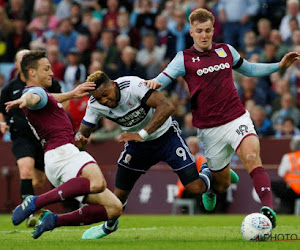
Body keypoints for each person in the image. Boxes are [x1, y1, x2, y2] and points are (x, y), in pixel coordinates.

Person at [145, 8, 300, 229]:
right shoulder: (184, 58)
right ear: (192, 32)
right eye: (199, 31)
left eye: (208, 30)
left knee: (252, 155)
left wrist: (279, 66)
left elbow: (250, 69)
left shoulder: (226, 51)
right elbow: (161, 79)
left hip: (237, 118)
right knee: (222, 184)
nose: (204, 35)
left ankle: (267, 209)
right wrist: (152, 83)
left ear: (213, 30)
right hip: (209, 130)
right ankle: (211, 175)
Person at [75, 70, 216, 239]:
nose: (104, 101)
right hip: (137, 146)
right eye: (99, 99)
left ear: (113, 84)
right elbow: (83, 132)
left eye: (105, 94)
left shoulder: (132, 85)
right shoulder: (95, 104)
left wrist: (142, 134)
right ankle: (109, 226)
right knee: (118, 196)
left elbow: (167, 106)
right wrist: (80, 140)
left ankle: (208, 170)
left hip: (166, 138)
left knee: (195, 188)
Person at [5, 50, 122, 239]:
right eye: (47, 68)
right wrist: (24, 100)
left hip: (59, 157)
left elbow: (48, 98)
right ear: (32, 72)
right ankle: (36, 201)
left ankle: (54, 220)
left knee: (114, 208)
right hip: (62, 153)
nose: (51, 72)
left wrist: (72, 94)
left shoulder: (45, 95)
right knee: (97, 182)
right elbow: (33, 97)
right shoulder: (33, 93)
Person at [0, 49, 61, 227]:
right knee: (25, 170)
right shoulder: (9, 88)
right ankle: (29, 212)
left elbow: (60, 101)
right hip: (21, 136)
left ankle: (37, 205)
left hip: (42, 136)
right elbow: (1, 111)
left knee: (40, 180)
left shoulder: (49, 83)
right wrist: (1, 123)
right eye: (20, 59)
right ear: (18, 65)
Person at [271, 135, 300, 214]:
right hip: (294, 189)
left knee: (273, 183)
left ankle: (285, 208)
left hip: (292, 189)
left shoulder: (289, 157)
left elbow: (281, 173)